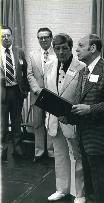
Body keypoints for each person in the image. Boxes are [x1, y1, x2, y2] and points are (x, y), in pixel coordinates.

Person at [70, 34, 104, 202]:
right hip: (84, 136)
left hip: (100, 139)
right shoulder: (83, 71)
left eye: (80, 45)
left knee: (103, 185)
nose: (76, 49)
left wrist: (90, 109)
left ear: (92, 48)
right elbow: (81, 99)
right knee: (92, 185)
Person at [46, 33, 85, 203]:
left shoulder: (82, 67)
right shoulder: (50, 65)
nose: (60, 52)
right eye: (57, 48)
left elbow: (83, 95)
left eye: (64, 48)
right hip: (54, 119)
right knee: (60, 155)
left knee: (76, 156)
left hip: (72, 119)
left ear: (70, 48)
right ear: (53, 49)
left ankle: (79, 193)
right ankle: (61, 189)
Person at [0, 25, 29, 162]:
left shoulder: (19, 52)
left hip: (16, 91)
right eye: (3, 36)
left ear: (12, 36)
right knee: (2, 123)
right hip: (2, 92)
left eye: (8, 35)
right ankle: (2, 150)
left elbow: (25, 70)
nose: (6, 38)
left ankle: (17, 147)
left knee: (17, 121)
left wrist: (26, 89)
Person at [27, 27, 56, 162]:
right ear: (38, 39)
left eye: (46, 37)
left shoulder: (57, 53)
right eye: (40, 37)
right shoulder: (32, 55)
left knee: (50, 124)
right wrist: (37, 89)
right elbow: (30, 74)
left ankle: (51, 152)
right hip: (37, 94)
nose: (43, 39)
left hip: (52, 95)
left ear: (51, 38)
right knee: (38, 124)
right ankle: (39, 152)